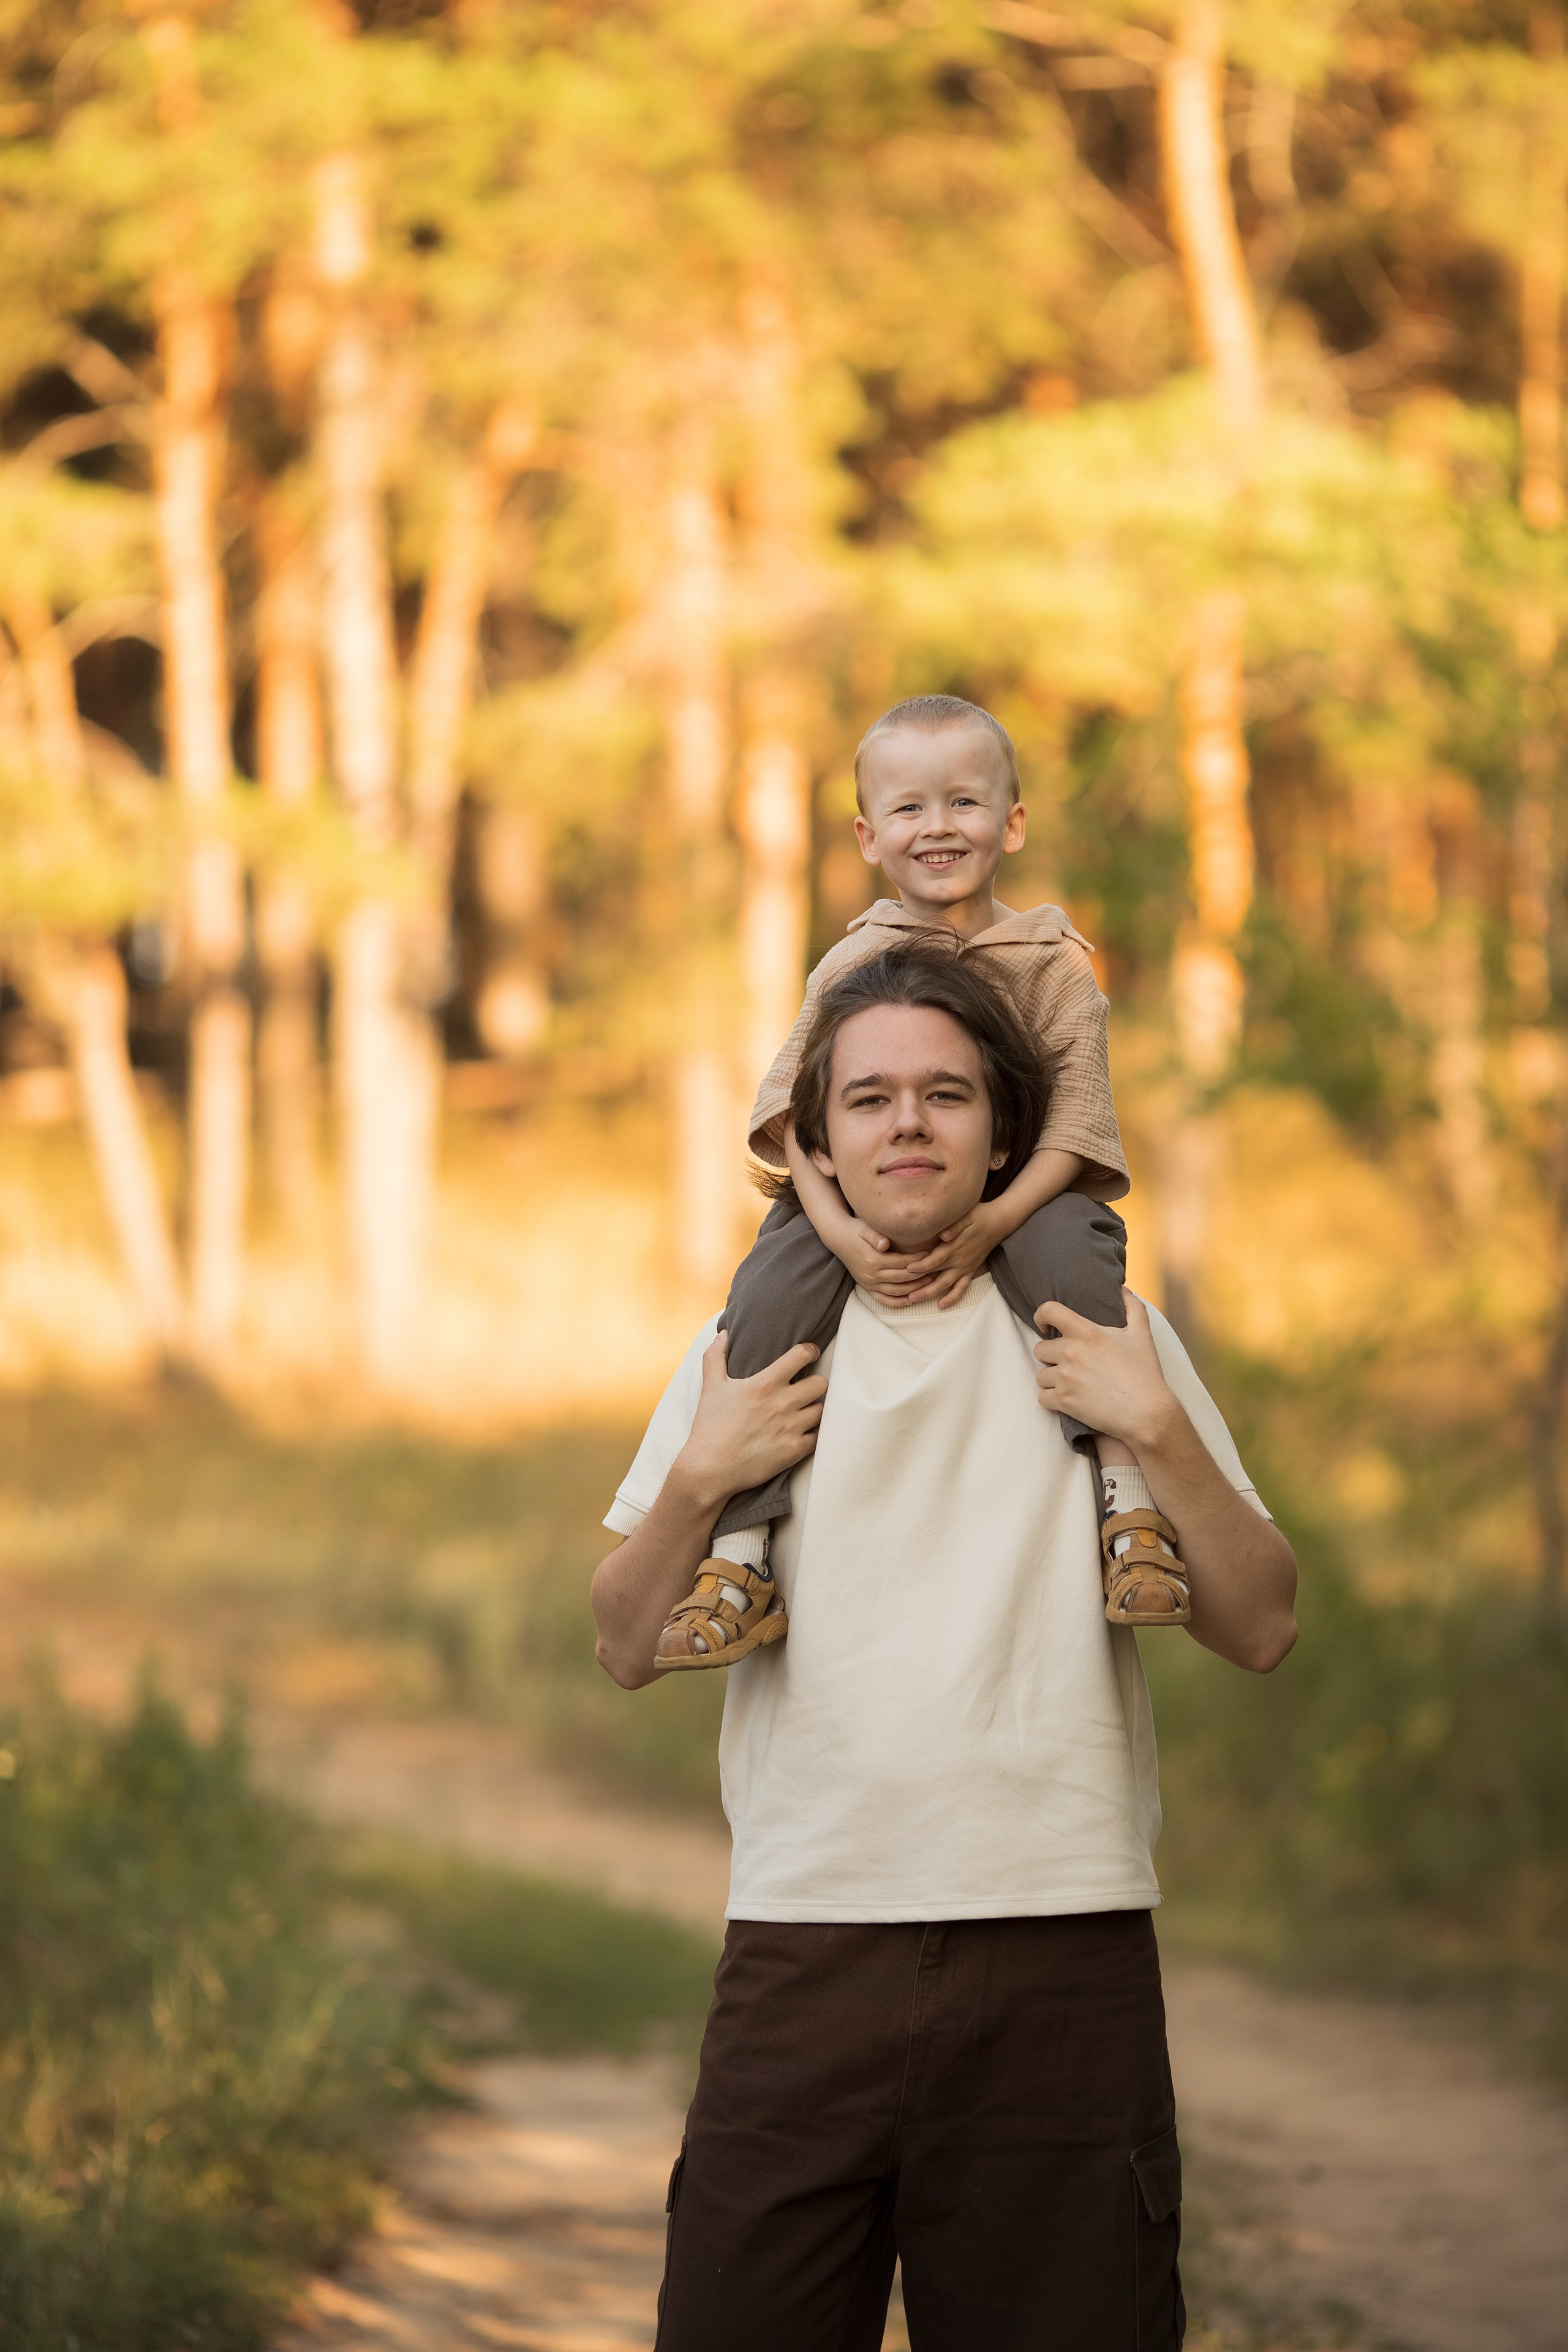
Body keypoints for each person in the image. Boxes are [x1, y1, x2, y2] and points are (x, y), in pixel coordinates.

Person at [591, 946, 1298, 2351]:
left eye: (944, 1094)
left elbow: (1261, 1623)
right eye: (866, 1099)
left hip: (1060, 1952)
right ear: (819, 1145)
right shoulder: (750, 1346)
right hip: (803, 1950)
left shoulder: (1099, 1333)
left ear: (1002, 1132)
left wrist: (1150, 1427)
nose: (905, 1123)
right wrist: (698, 1474)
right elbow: (621, 1644)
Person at [654, 692, 1188, 1674]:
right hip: (853, 1199)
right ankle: (740, 1554)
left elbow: (1077, 1125)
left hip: (1021, 1189)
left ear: (1013, 822)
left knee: (1074, 1259)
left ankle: (1130, 1511)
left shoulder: (1055, 965)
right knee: (767, 1296)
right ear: (866, 835)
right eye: (908, 810)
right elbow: (791, 1120)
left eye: (964, 803)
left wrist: (996, 1222)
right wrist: (843, 1232)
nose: (937, 827)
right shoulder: (852, 964)